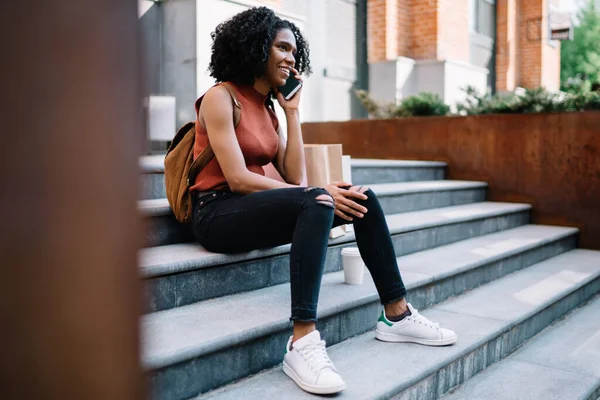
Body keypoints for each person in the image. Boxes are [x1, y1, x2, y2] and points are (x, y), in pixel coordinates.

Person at [190, 6, 457, 395]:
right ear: (255, 48)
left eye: (294, 52)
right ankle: (302, 341)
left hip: (253, 210)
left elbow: (293, 174)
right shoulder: (221, 97)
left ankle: (396, 315)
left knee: (361, 197)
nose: (289, 58)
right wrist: (314, 194)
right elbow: (238, 178)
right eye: (281, 48)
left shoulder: (269, 107)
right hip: (216, 213)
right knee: (316, 198)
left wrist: (292, 112)